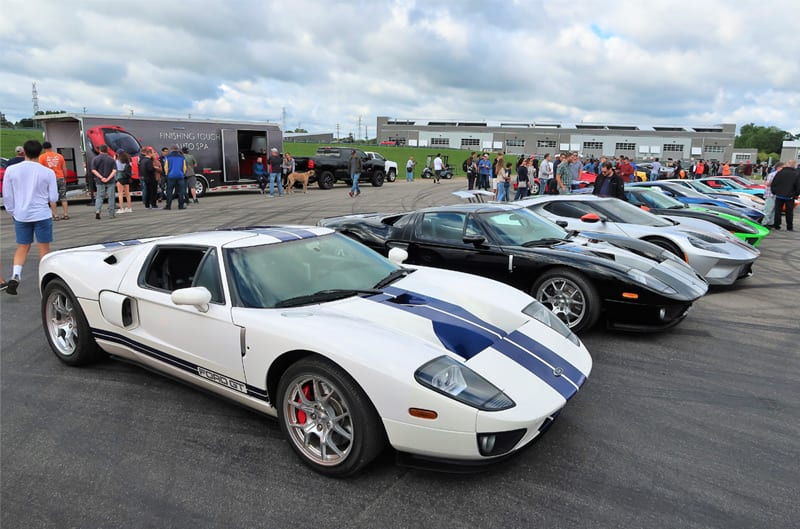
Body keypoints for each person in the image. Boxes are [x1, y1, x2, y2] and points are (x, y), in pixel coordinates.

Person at [3, 140, 58, 296]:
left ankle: (16, 275)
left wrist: (13, 211)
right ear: (40, 153)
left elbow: (7, 195)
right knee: (44, 249)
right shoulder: (47, 172)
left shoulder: (11, 170)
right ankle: (44, 282)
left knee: (22, 246)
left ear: (24, 152)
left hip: (21, 214)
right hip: (41, 213)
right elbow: (53, 196)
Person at [39, 141, 70, 220]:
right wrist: (65, 177)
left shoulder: (42, 157)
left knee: (52, 198)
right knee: (63, 196)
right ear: (51, 147)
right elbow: (64, 168)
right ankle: (66, 214)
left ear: (43, 148)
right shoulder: (60, 156)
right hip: (60, 177)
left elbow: (40, 170)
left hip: (49, 179)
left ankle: (55, 215)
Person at [770, 160, 799, 231]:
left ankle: (777, 225)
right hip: (790, 196)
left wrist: (774, 192)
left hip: (779, 195)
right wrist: (796, 194)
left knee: (778, 211)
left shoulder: (780, 173)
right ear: (794, 165)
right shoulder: (796, 174)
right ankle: (789, 227)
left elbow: (774, 183)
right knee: (789, 212)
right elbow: (798, 185)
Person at [90, 144, 117, 219]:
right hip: (110, 181)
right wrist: (108, 178)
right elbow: (114, 171)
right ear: (107, 150)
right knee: (111, 197)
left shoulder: (95, 159)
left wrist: (101, 177)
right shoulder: (111, 159)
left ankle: (98, 210)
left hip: (99, 181)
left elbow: (93, 170)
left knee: (99, 197)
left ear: (99, 150)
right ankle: (111, 214)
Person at [162, 145, 187, 210]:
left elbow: (166, 167)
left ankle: (168, 205)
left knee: (169, 191)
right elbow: (184, 167)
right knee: (181, 192)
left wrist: (167, 174)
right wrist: (183, 174)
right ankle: (181, 206)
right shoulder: (182, 157)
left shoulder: (168, 157)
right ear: (177, 150)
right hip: (180, 176)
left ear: (171, 150)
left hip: (171, 176)